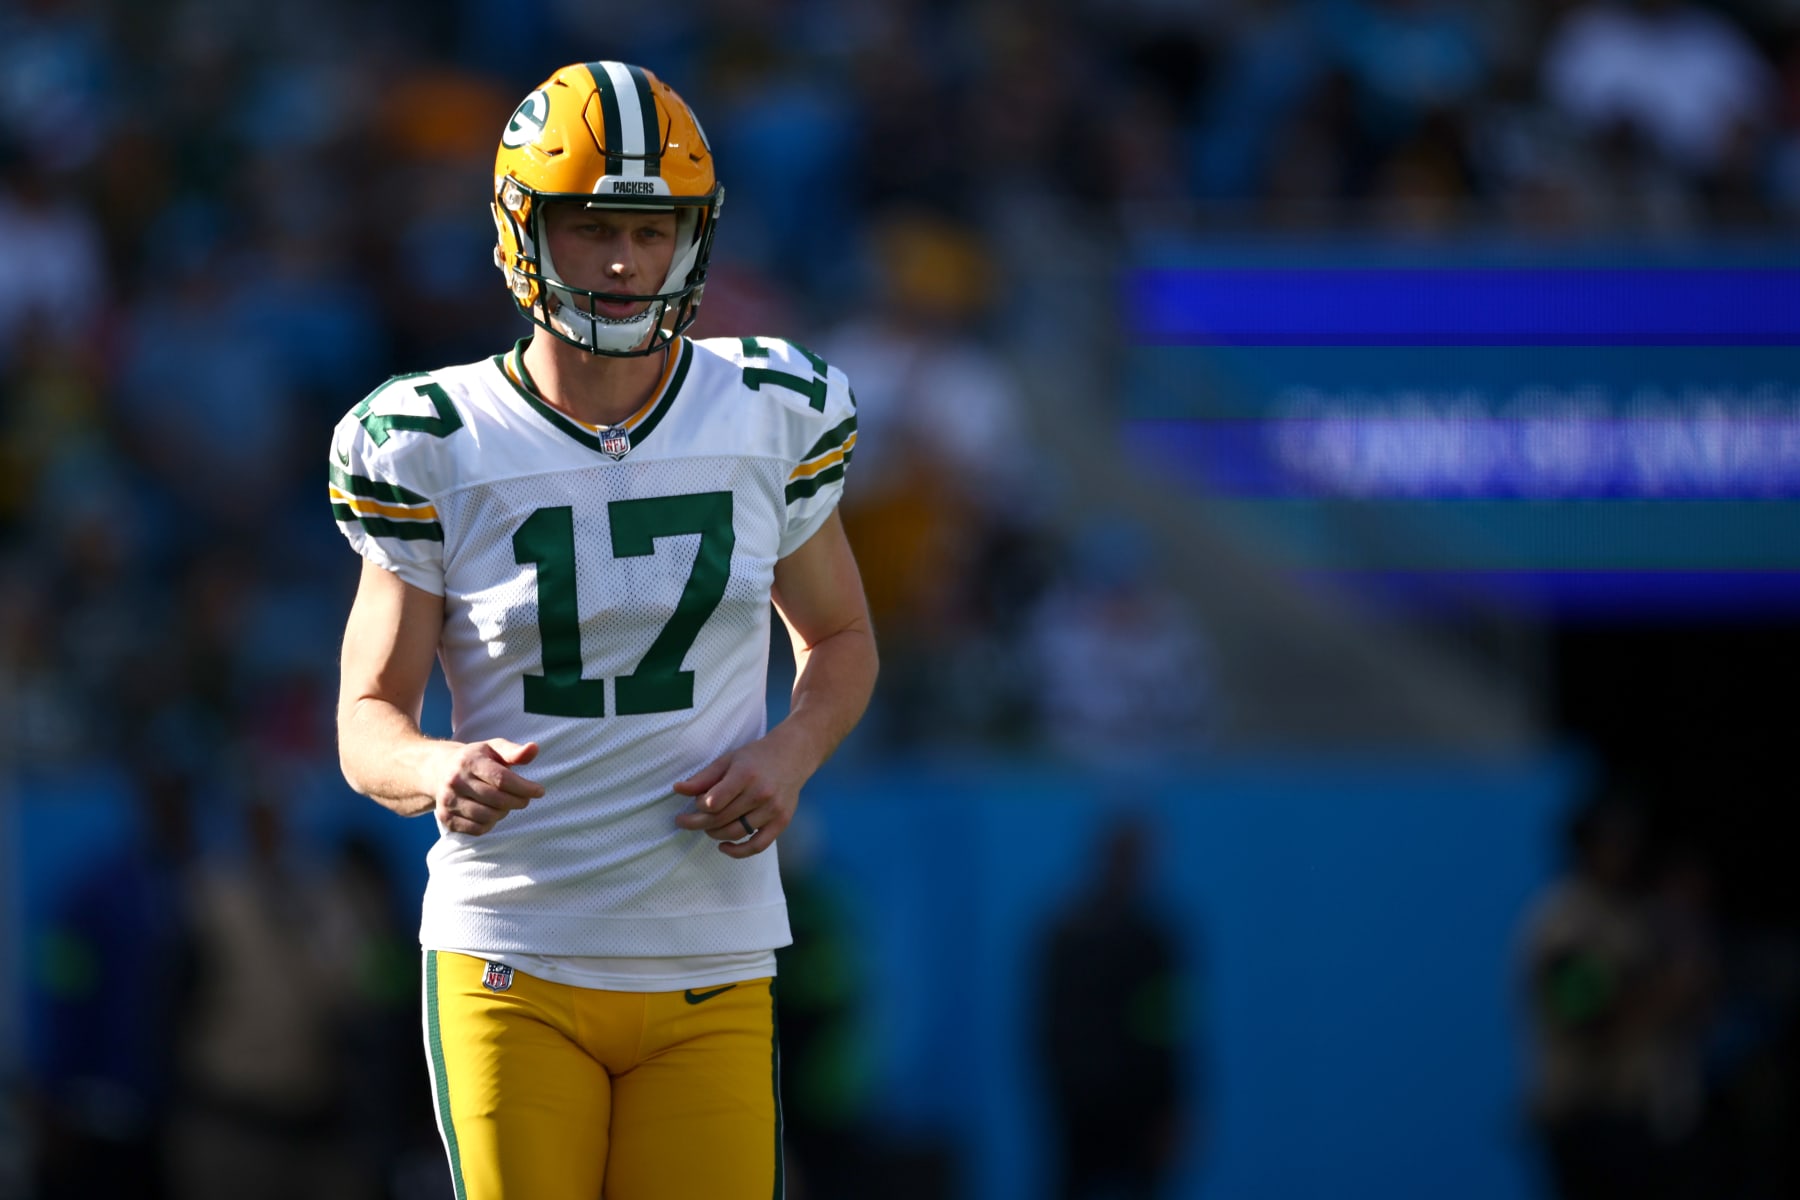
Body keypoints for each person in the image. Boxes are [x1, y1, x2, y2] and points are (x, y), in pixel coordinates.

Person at [329, 61, 877, 1200]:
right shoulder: (436, 437)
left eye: (650, 228)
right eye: (589, 229)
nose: (624, 262)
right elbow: (367, 719)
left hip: (713, 960)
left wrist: (790, 751)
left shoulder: (771, 409)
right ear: (521, 232)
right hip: (511, 958)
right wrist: (437, 770)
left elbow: (841, 640)